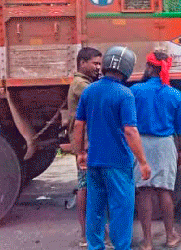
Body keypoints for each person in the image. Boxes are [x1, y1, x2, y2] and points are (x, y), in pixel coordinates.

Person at [72, 46, 151, 250]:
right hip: (118, 162)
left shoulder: (89, 91)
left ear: (106, 64)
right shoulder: (125, 95)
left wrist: (80, 153)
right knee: (121, 210)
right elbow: (131, 131)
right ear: (127, 68)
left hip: (94, 161)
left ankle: (95, 246)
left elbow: (78, 125)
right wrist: (142, 162)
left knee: (95, 209)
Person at [130, 50, 181, 250]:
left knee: (144, 191)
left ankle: (147, 242)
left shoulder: (135, 91)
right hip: (165, 145)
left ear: (148, 67)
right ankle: (170, 236)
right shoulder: (175, 94)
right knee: (165, 191)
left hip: (141, 144)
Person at [67, 47, 103, 247]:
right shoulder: (81, 85)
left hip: (87, 143)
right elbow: (99, 96)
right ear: (82, 63)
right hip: (85, 145)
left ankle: (91, 232)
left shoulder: (85, 83)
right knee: (85, 187)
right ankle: (86, 234)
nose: (98, 67)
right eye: (95, 63)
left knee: (89, 186)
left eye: (100, 64)